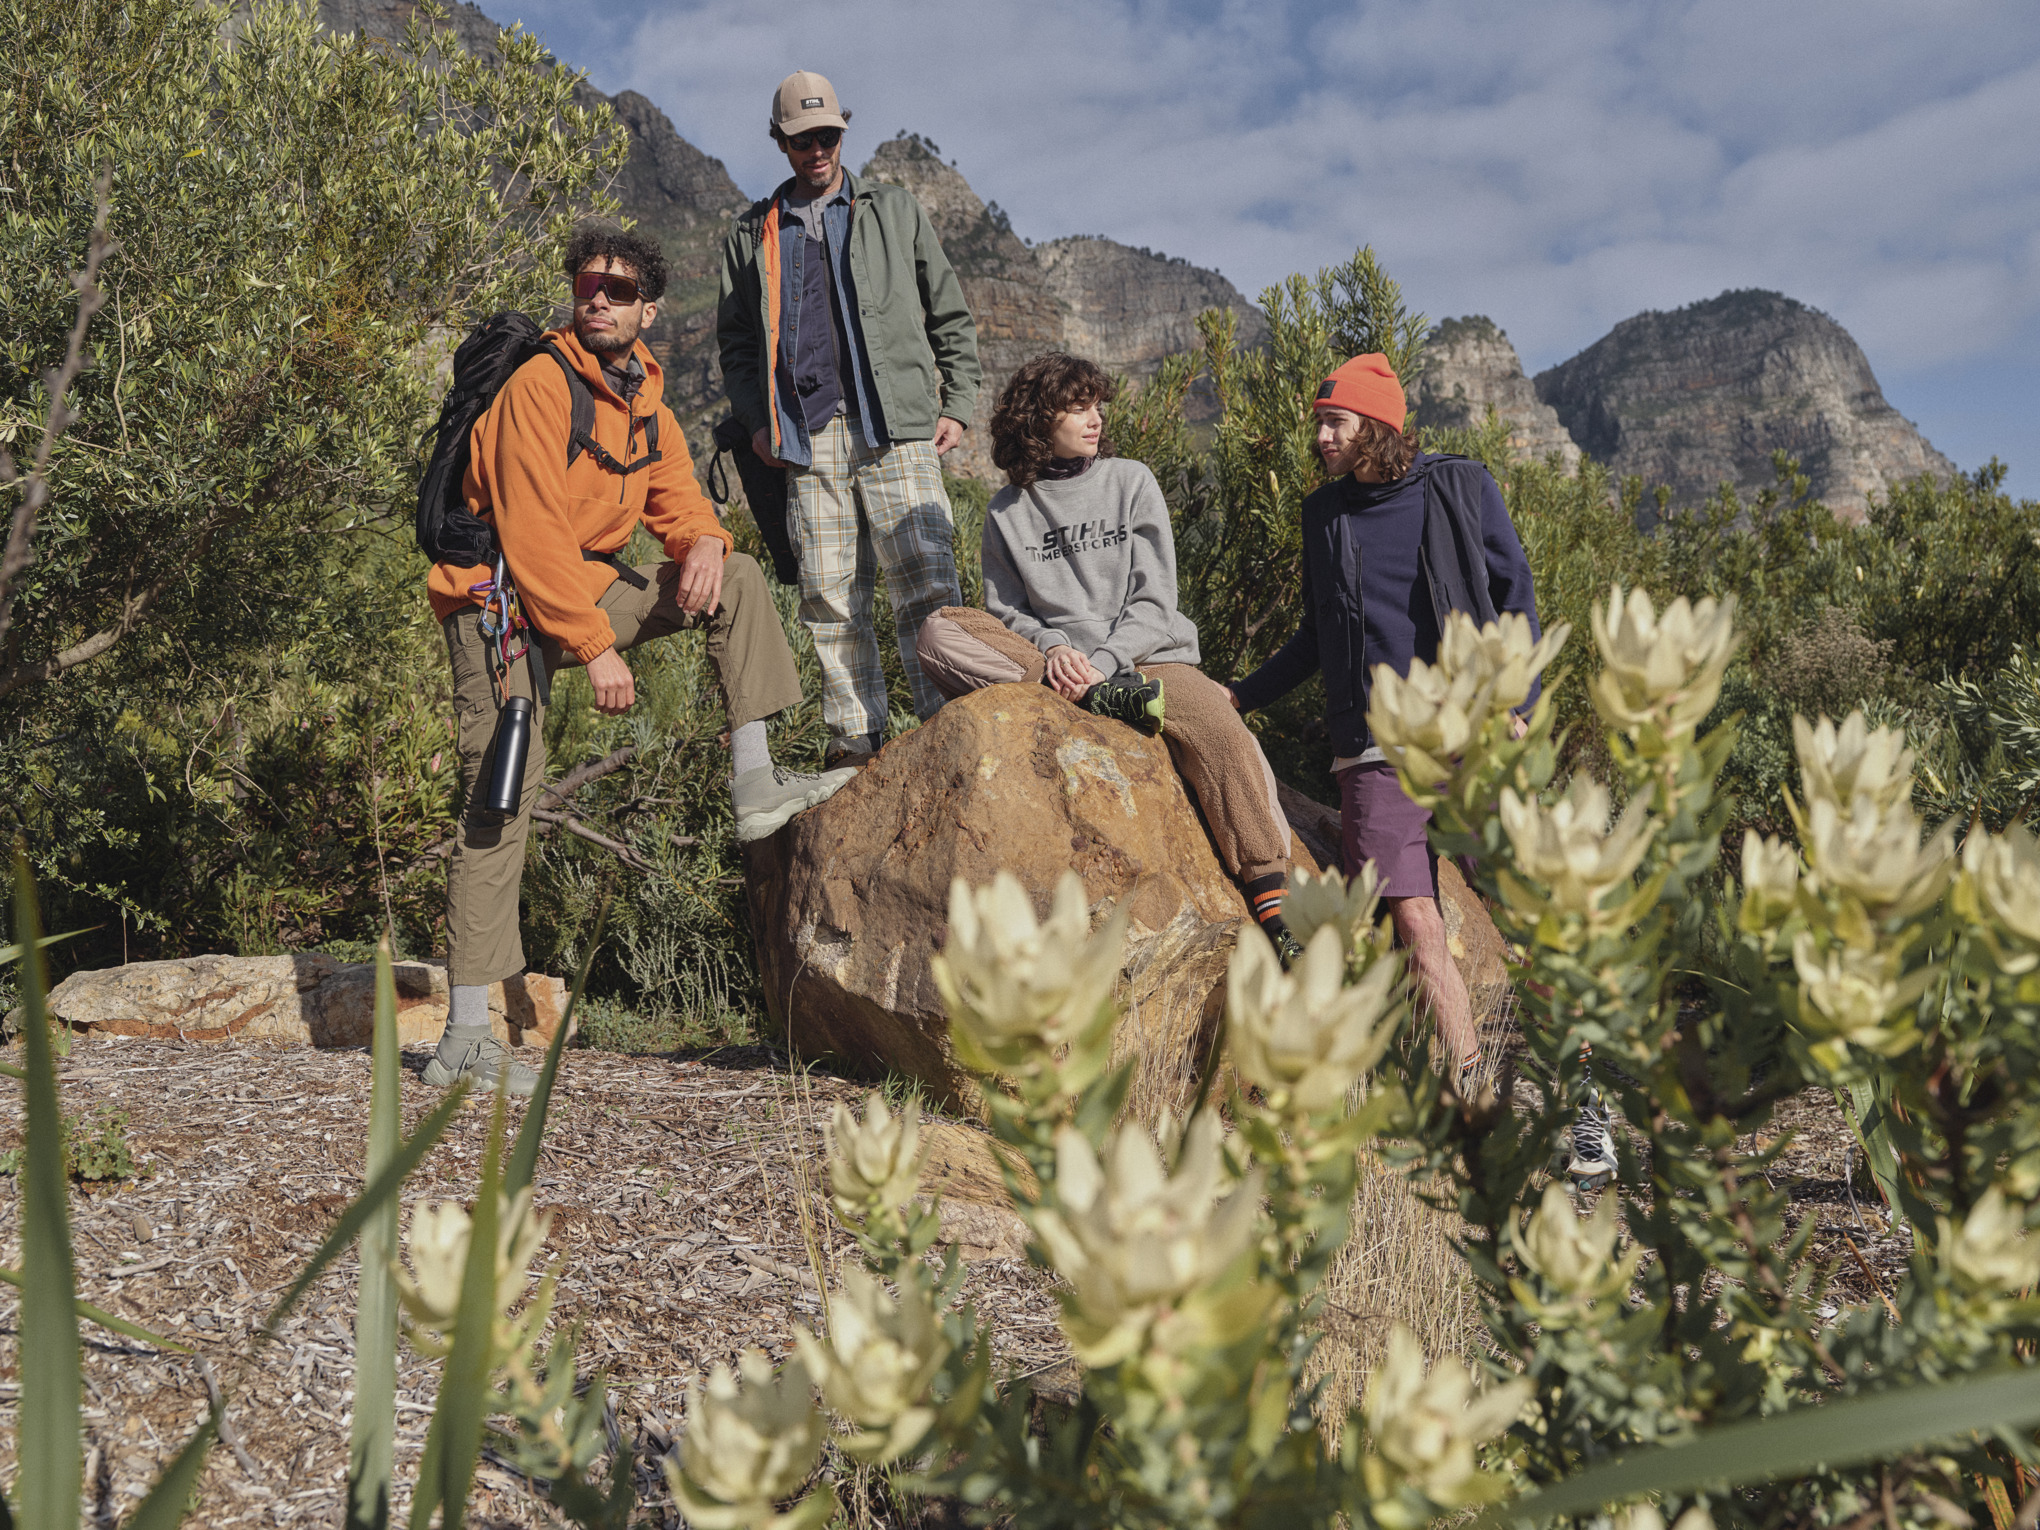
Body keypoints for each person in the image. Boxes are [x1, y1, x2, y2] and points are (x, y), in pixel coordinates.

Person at [424, 222, 857, 1097]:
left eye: (618, 291)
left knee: (731, 577)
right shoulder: (542, 385)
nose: (598, 299)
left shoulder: (641, 398)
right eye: (588, 284)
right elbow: (531, 530)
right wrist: (593, 645)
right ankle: (465, 1040)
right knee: (500, 794)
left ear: (648, 310)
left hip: (576, 582)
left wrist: (701, 539)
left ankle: (755, 780)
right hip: (497, 601)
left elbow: (679, 498)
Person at [1227, 353, 1616, 1187]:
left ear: (1378, 426)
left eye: (1335, 423)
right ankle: (1472, 1093)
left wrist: (1521, 694)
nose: (1322, 439)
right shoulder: (1323, 514)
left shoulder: (1460, 487)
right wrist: (1239, 697)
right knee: (1412, 924)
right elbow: (1317, 634)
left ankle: (1584, 1110)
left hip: (1471, 733)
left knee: (1533, 920)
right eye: (1319, 424)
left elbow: (1517, 595)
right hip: (1370, 747)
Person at [915, 353, 1302, 960]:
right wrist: (1059, 651)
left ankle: (1273, 902)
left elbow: (1155, 600)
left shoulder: (1131, 480)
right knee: (940, 632)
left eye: (1097, 405)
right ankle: (1100, 700)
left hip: (1147, 656)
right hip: (1057, 662)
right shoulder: (1005, 511)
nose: (1094, 418)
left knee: (1224, 734)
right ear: (1039, 418)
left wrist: (1101, 658)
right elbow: (1008, 612)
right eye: (1077, 406)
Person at [716, 69, 982, 772]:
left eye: (828, 134)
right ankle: (854, 742)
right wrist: (757, 423)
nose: (818, 149)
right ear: (782, 142)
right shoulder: (751, 235)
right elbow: (738, 345)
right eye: (803, 139)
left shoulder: (894, 210)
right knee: (829, 595)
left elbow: (948, 310)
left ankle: (947, 719)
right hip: (808, 437)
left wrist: (956, 403)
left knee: (927, 584)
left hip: (897, 426)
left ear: (842, 132)